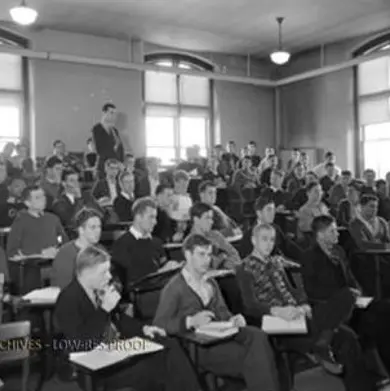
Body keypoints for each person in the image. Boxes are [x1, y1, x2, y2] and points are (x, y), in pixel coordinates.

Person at [239, 223, 382, 385]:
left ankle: (327, 344)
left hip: (299, 316)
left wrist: (303, 304)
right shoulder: (244, 268)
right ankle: (324, 340)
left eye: (272, 240)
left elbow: (293, 292)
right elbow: (249, 305)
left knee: (348, 334)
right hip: (278, 324)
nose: (269, 244)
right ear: (253, 240)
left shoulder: (276, 263)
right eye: (264, 239)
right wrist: (276, 311)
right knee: (347, 303)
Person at [54, 246, 200, 391]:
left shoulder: (97, 290)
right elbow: (80, 342)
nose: (109, 277)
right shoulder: (69, 299)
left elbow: (119, 319)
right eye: (103, 272)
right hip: (93, 365)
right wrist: (104, 310)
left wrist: (144, 328)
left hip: (113, 350)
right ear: (86, 272)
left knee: (169, 344)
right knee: (154, 367)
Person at [153, 234, 281, 391]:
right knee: (256, 358)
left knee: (258, 335)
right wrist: (190, 321)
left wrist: (233, 318)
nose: (207, 260)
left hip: (220, 333)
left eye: (209, 255)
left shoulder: (211, 282)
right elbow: (159, 324)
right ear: (188, 255)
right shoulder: (174, 287)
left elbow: (222, 311)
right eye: (201, 255)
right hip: (198, 346)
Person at [302, 215, 390, 388]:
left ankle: (384, 370)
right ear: (320, 235)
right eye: (332, 231)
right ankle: (363, 383)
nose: (337, 234)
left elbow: (351, 279)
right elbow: (313, 291)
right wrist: (345, 295)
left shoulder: (339, 252)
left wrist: (359, 294)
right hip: (328, 308)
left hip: (352, 304)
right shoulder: (309, 257)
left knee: (385, 311)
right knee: (350, 330)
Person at [7, 185, 68, 292]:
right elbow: (11, 253)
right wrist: (40, 254)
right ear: (27, 203)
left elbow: (65, 242)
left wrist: (57, 251)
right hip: (32, 268)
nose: (43, 199)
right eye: (37, 197)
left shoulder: (53, 219)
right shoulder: (20, 221)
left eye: (43, 196)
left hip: (55, 265)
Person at [112, 197, 179, 293]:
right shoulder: (122, 244)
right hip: (140, 296)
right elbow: (131, 282)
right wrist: (160, 273)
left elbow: (163, 267)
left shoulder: (157, 243)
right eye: (151, 217)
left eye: (155, 217)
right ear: (138, 217)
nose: (155, 222)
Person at [51, 208, 102, 289]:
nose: (98, 231)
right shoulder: (65, 254)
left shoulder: (100, 250)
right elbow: (63, 287)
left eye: (99, 227)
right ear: (81, 230)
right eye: (93, 227)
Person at [240, 196, 302, 260]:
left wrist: (304, 256)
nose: (272, 213)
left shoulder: (276, 228)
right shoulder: (249, 235)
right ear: (259, 213)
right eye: (269, 210)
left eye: (273, 210)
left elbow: (288, 246)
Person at [189, 202, 241, 270]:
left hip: (227, 275)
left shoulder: (216, 235)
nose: (212, 222)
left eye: (211, 218)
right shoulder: (189, 243)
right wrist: (222, 258)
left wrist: (223, 263)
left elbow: (235, 255)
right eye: (207, 218)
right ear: (196, 220)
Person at [92, 103, 124, 176]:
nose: (113, 116)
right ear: (104, 113)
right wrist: (116, 162)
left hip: (117, 168)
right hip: (104, 166)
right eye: (111, 113)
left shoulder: (115, 130)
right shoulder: (97, 129)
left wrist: (121, 163)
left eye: (115, 114)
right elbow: (100, 149)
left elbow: (120, 148)